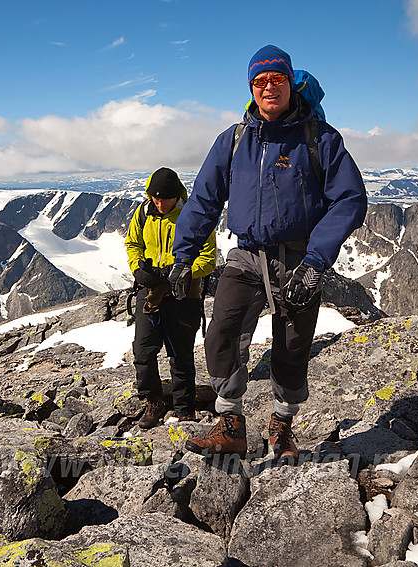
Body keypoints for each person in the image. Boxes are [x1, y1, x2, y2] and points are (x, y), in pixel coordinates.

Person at [168, 45, 367, 460]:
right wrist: (183, 256)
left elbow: (349, 199)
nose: (268, 88)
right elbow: (204, 200)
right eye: (259, 82)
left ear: (291, 83)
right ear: (250, 88)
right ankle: (230, 424)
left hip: (299, 259)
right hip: (246, 255)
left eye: (276, 79)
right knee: (222, 331)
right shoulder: (235, 140)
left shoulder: (320, 138)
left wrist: (316, 262)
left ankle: (282, 425)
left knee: (292, 345)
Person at [126, 167, 217, 429]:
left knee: (180, 355)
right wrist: (138, 269)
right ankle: (153, 401)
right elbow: (133, 244)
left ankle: (184, 409)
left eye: (164, 199)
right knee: (143, 351)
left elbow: (208, 258)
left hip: (183, 294)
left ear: (176, 195)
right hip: (151, 290)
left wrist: (183, 274)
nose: (159, 203)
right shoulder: (144, 213)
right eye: (155, 198)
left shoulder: (194, 215)